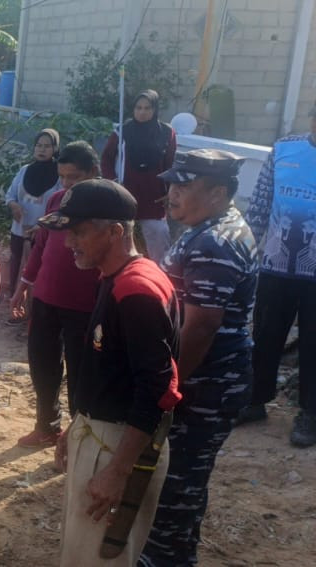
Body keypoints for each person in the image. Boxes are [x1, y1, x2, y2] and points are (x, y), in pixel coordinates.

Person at [39, 179, 182, 567]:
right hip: (101, 433)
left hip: (118, 445)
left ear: (116, 231)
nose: (70, 242)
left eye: (80, 232)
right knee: (82, 553)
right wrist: (77, 423)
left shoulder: (136, 292)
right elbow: (112, 371)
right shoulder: (117, 277)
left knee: (101, 558)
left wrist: (119, 470)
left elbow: (156, 389)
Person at [138, 150, 255, 566]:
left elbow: (201, 326)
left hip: (203, 384)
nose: (171, 194)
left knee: (175, 484)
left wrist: (168, 387)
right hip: (201, 380)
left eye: (183, 187)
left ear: (218, 192)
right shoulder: (206, 228)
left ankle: (165, 559)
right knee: (182, 483)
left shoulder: (213, 242)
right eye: (172, 184)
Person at [9, 141, 102, 447]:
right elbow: (41, 244)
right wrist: (24, 284)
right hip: (46, 297)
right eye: (62, 176)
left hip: (85, 304)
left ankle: (79, 434)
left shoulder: (107, 206)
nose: (66, 184)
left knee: (81, 370)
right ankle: (47, 425)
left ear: (93, 172)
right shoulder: (58, 200)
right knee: (42, 363)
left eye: (73, 177)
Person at [240, 104, 316, 447]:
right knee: (266, 334)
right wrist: (248, 250)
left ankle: (310, 414)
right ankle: (255, 401)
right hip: (275, 265)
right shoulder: (284, 151)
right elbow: (259, 204)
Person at [102, 89, 178, 261]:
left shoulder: (167, 133)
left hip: (154, 198)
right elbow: (106, 158)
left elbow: (171, 164)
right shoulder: (122, 131)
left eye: (147, 108)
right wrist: (113, 182)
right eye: (138, 108)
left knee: (159, 240)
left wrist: (171, 190)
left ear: (155, 109)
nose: (142, 112)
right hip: (126, 195)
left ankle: (160, 279)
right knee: (120, 241)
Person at [3, 128, 62, 310]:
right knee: (17, 265)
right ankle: (16, 305)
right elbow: (10, 195)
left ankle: (35, 308)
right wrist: (14, 206)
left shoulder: (60, 174)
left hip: (44, 233)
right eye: (38, 145)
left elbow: (61, 204)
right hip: (20, 230)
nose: (42, 150)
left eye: (47, 146)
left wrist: (44, 224)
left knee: (40, 269)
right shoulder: (24, 170)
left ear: (55, 148)